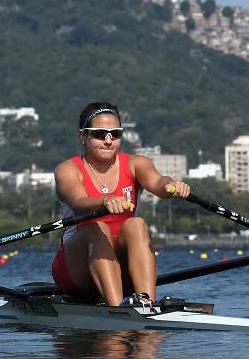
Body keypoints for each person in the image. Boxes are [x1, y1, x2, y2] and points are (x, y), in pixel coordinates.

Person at [51, 101, 190, 307]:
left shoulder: (137, 164)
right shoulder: (68, 170)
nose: (108, 141)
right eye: (99, 134)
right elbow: (79, 203)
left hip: (123, 268)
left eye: (115, 134)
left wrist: (171, 186)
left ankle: (145, 302)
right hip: (76, 272)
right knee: (97, 227)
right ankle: (117, 309)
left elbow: (158, 183)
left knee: (137, 224)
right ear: (83, 135)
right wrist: (105, 202)